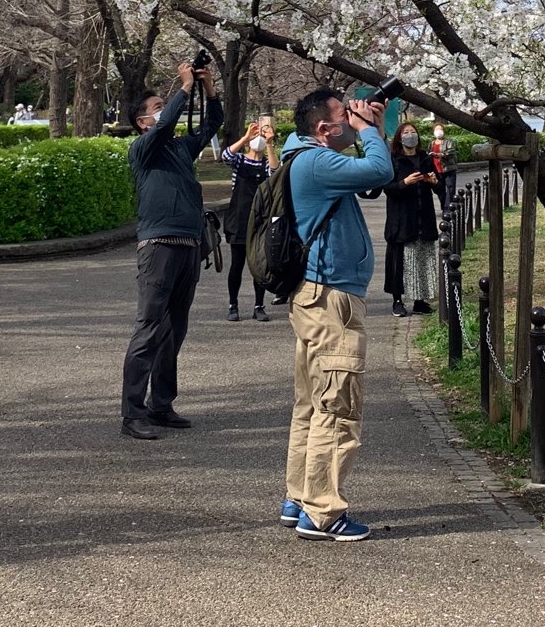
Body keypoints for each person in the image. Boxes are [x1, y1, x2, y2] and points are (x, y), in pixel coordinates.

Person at [278, 86, 392, 541]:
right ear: (325, 128)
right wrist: (370, 133)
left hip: (315, 297)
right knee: (338, 405)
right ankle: (323, 512)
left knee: (311, 403)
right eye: (346, 114)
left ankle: (299, 497)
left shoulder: (303, 157)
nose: (354, 117)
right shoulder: (317, 161)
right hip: (332, 302)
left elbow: (370, 181)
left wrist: (372, 129)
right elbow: (381, 170)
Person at [119, 60, 224, 440]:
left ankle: (161, 404)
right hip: (158, 244)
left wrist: (208, 88)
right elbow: (166, 125)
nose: (164, 111)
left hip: (188, 244)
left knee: (173, 331)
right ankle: (133, 412)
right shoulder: (143, 149)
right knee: (149, 328)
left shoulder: (180, 150)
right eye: (156, 107)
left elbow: (212, 126)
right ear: (143, 121)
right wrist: (182, 89)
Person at [219, 115, 278, 322]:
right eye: (258, 133)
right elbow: (225, 156)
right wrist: (245, 139)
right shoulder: (240, 160)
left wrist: (269, 144)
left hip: (259, 220)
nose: (259, 138)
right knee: (236, 264)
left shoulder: (265, 164)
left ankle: (259, 305)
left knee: (258, 265)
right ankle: (233, 304)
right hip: (238, 218)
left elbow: (275, 172)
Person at [384, 121, 442, 317]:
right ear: (400, 138)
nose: (410, 135)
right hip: (401, 219)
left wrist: (434, 182)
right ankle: (397, 300)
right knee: (399, 261)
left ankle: (420, 300)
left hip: (423, 216)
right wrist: (405, 183)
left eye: (413, 132)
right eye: (406, 132)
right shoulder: (393, 160)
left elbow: (440, 187)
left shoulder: (425, 158)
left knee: (423, 258)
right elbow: (388, 188)